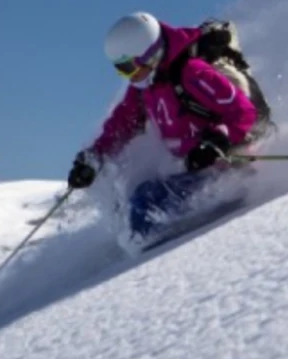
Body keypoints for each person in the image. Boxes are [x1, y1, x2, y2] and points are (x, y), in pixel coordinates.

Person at [67, 13, 271, 237]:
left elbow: (242, 111)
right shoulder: (145, 86)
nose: (129, 76)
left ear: (151, 55)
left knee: (146, 204)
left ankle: (164, 254)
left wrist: (216, 141)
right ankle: (151, 246)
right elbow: (122, 125)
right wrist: (94, 158)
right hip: (200, 169)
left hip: (234, 164)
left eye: (130, 67)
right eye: (121, 69)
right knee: (140, 204)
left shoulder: (192, 72)